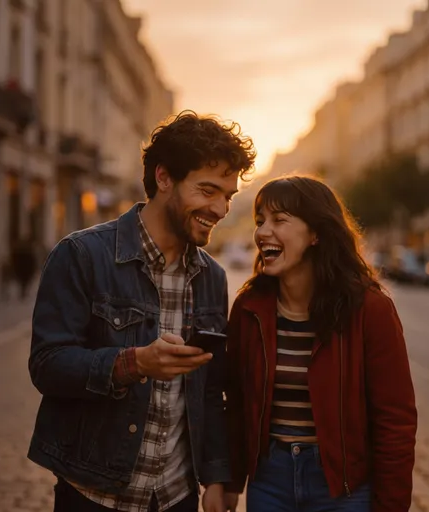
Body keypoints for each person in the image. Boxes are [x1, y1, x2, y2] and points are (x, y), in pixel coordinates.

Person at [27, 111, 257, 512]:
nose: (220, 208)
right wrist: (133, 364)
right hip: (93, 495)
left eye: (228, 196)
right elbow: (47, 365)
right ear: (164, 177)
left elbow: (209, 391)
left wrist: (218, 477)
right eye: (208, 190)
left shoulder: (211, 278)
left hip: (175, 497)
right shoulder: (82, 255)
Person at [223, 176, 418, 512]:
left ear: (315, 234)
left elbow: (395, 421)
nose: (262, 232)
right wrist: (228, 480)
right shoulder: (249, 309)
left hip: (343, 487)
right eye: (260, 221)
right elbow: (237, 404)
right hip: (270, 482)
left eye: (279, 220)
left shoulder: (369, 309)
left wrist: (391, 506)